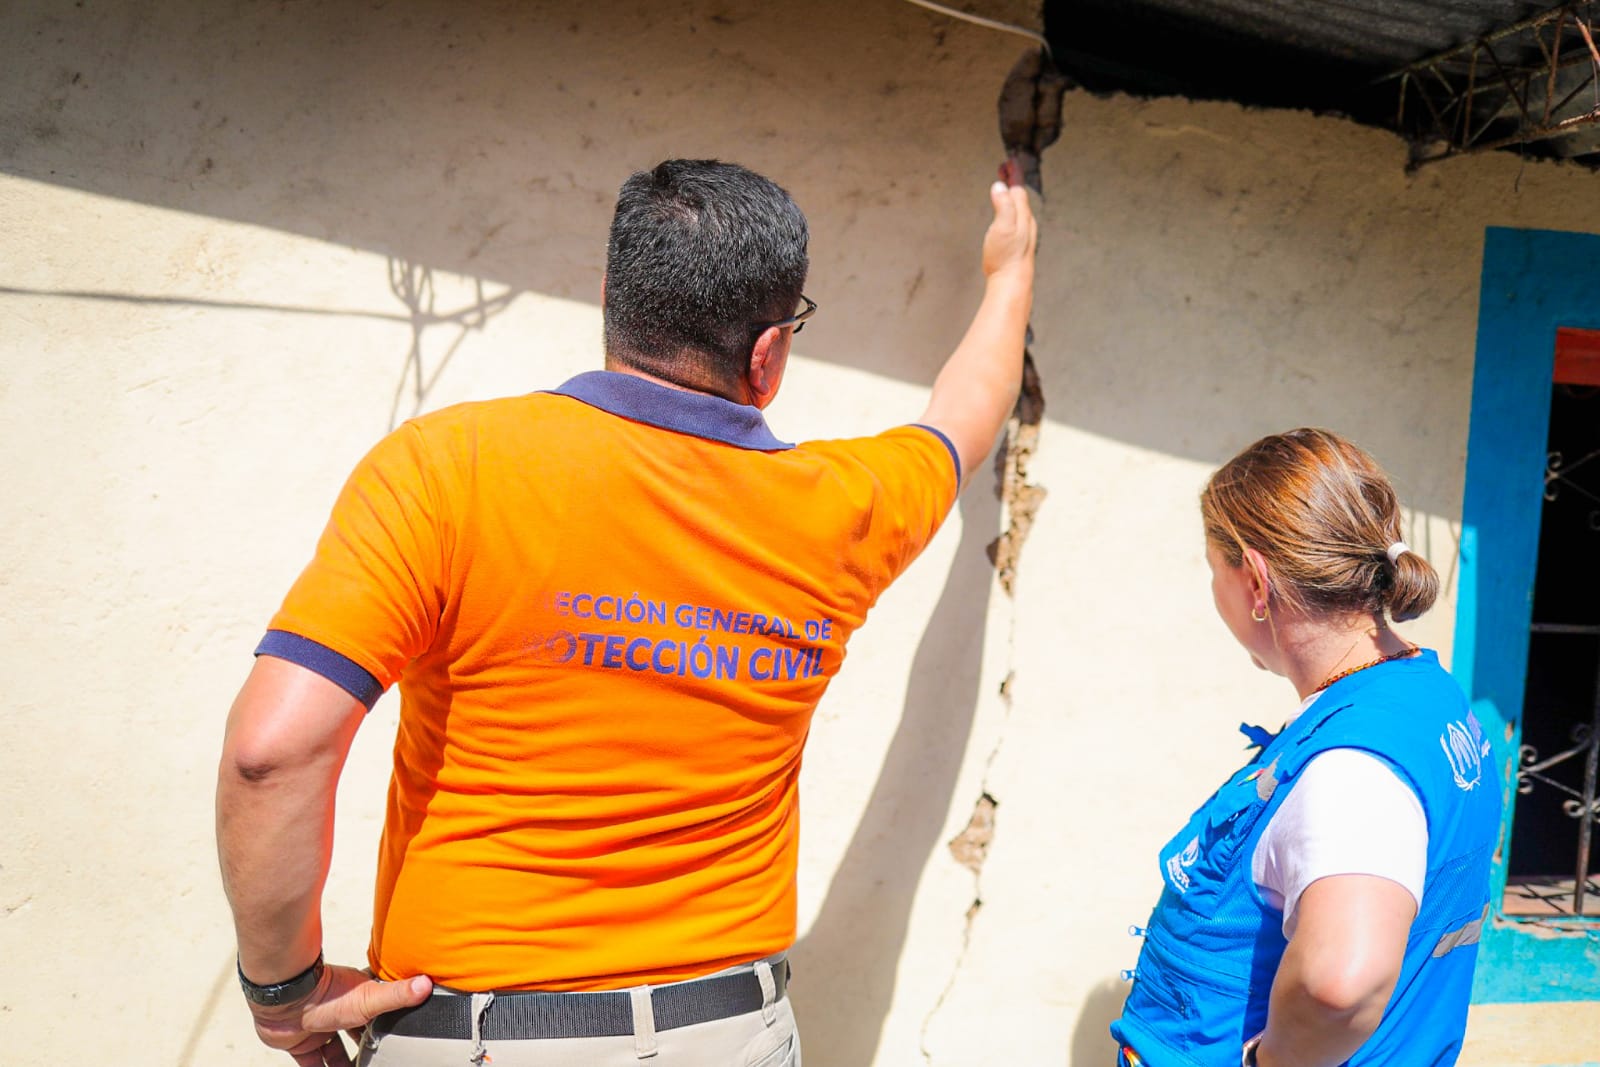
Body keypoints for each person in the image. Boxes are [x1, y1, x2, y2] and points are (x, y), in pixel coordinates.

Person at [216, 159, 1036, 1067]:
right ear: (767, 355)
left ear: (611, 297)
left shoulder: (448, 466)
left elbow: (271, 752)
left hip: (478, 1036)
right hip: (727, 1035)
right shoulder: (846, 507)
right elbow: (963, 414)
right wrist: (1012, 270)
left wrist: (283, 991)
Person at [1111, 428, 1502, 1067]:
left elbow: (1339, 984)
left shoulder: (1354, 770)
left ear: (1255, 581)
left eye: (1214, 570)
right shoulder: (1425, 693)